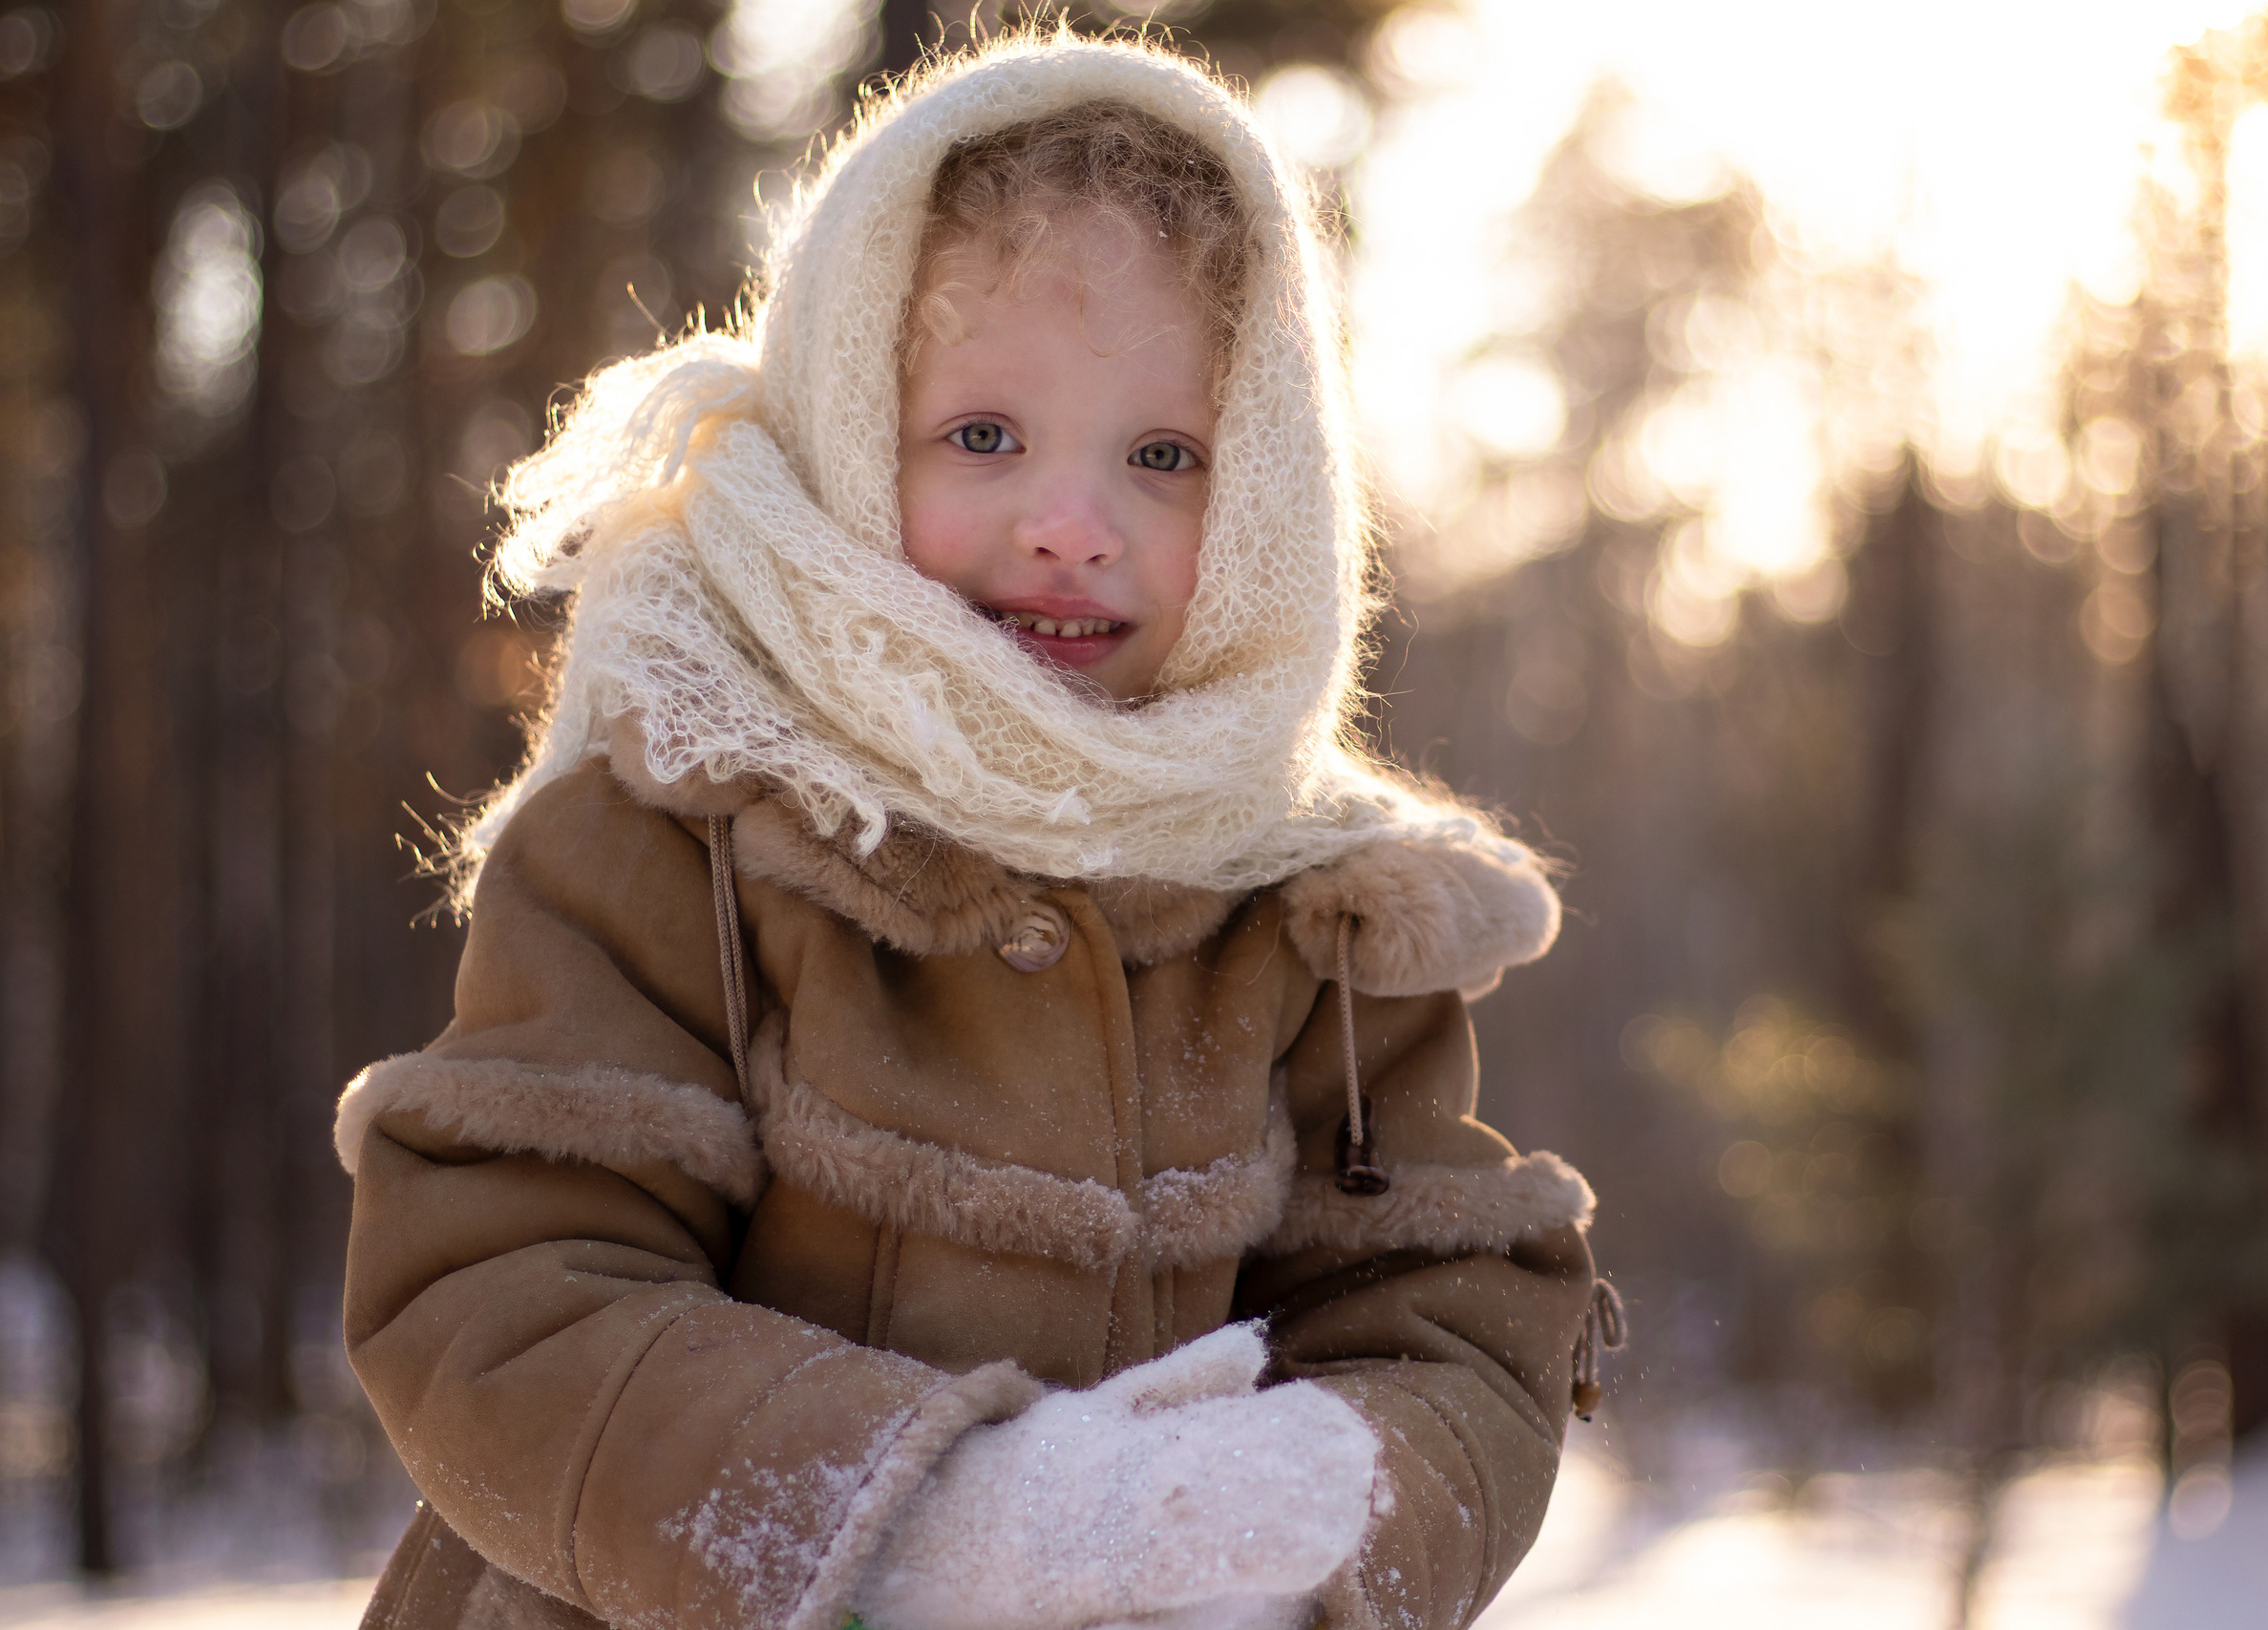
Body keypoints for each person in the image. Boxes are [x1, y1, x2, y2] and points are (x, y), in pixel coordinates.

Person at [335, 29, 1611, 1630]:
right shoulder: (684, 821)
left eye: (1164, 457)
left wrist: (1290, 1535)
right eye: (985, 437)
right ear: (854, 437)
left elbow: (1445, 1318)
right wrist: (945, 1520)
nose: (1071, 526)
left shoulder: (1306, 909)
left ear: (1275, 499)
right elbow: (500, 1295)